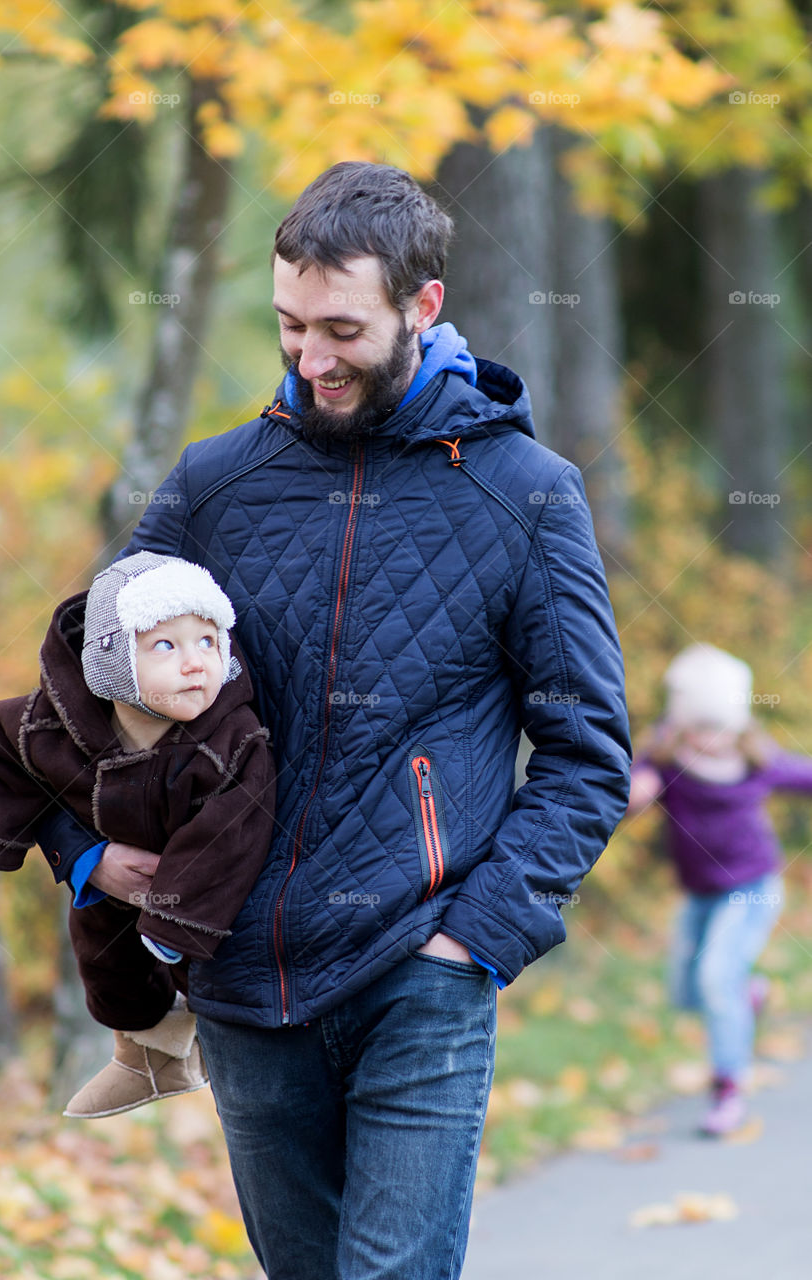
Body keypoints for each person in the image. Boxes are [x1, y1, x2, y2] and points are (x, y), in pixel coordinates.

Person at [35, 162, 631, 1279]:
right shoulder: (214, 484)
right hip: (245, 985)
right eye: (288, 325)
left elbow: (587, 755)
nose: (310, 359)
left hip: (422, 970)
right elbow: (77, 695)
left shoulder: (527, 490)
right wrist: (82, 853)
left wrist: (478, 941)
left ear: (425, 304)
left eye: (342, 328)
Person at [0, 552, 276, 1117]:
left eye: (207, 641)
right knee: (104, 962)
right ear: (114, 660)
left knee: (200, 969)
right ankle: (144, 1060)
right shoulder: (53, 723)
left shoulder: (232, 738)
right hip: (109, 882)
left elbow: (231, 830)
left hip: (204, 897)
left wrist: (177, 913)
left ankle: (190, 1042)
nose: (195, 662)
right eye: (166, 646)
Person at [628, 642, 812, 1136]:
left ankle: (728, 1089)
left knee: (715, 979)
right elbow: (632, 790)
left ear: (738, 723)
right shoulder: (666, 761)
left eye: (719, 727)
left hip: (752, 888)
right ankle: (749, 994)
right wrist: (635, 793)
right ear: (681, 722)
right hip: (699, 893)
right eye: (698, 727)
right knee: (689, 993)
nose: (709, 739)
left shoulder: (757, 761)